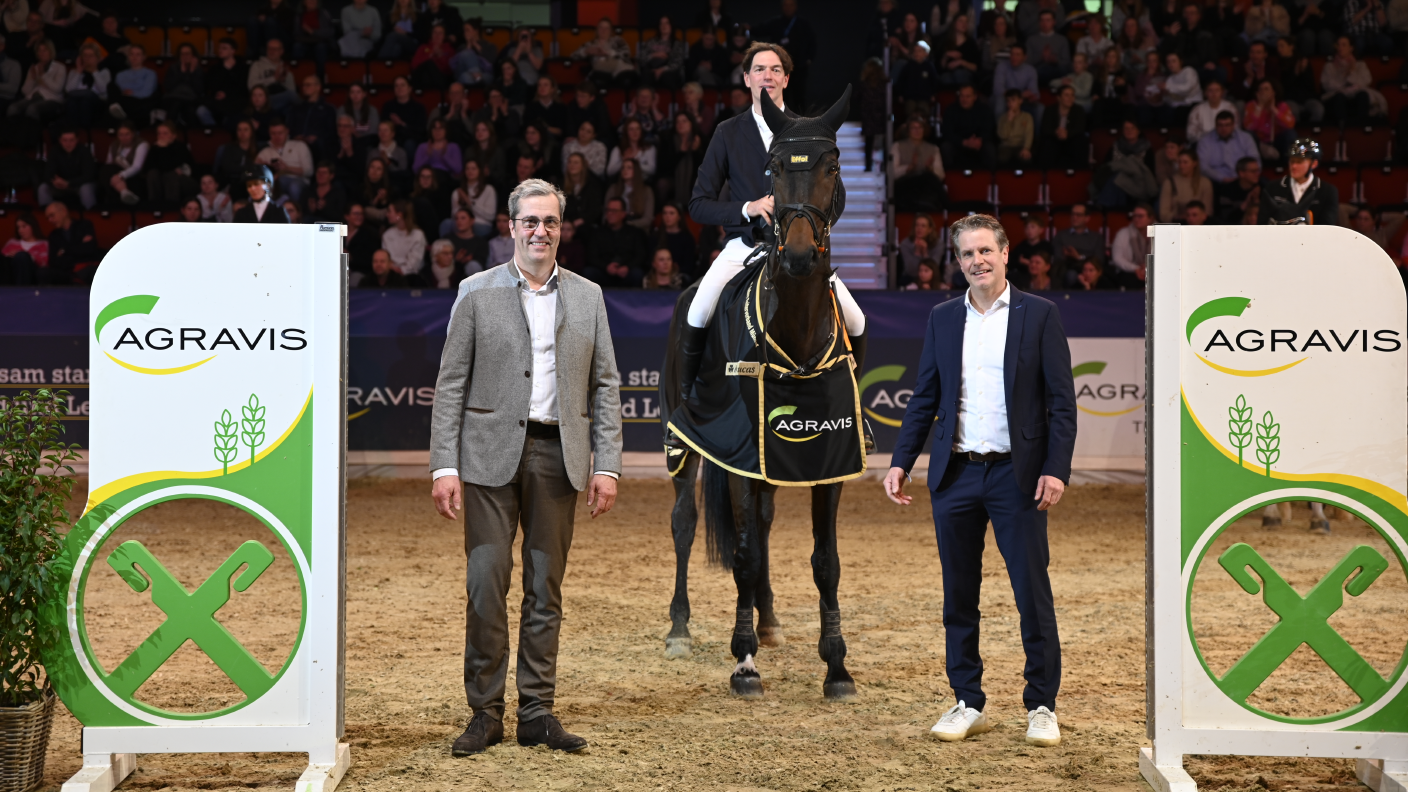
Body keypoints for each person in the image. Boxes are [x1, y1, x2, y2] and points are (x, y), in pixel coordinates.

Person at [429, 178, 622, 758]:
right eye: (531, 222)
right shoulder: (475, 291)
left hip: (558, 458)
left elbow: (606, 384)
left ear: (562, 229)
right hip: (486, 460)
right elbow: (450, 385)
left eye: (551, 222)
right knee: (486, 587)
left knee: (546, 590)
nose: (541, 231)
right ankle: (484, 713)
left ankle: (537, 711)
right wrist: (444, 464)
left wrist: (606, 464)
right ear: (511, 227)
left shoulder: (588, 297)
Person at [884, 213, 1075, 750]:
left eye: (986, 250)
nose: (977, 261)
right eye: (967, 254)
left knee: (1032, 597)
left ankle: (1041, 705)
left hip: (1018, 478)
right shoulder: (943, 318)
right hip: (956, 476)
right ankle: (968, 701)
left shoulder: (1040, 315)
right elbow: (924, 396)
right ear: (958, 260)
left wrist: (1056, 468)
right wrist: (901, 460)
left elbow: (1062, 403)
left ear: (1006, 253)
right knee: (958, 597)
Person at [682, 39, 864, 378]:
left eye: (776, 69)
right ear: (747, 79)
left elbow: (836, 198)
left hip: (801, 252)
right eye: (759, 69)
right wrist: (747, 207)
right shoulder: (727, 133)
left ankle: (852, 406)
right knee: (697, 311)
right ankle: (686, 408)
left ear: (786, 79)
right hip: (746, 248)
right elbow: (698, 205)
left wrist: (808, 228)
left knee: (857, 320)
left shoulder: (810, 130)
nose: (768, 75)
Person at [1258, 138, 1340, 224]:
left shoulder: (1327, 191)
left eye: (1299, 162)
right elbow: (1262, 224)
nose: (1293, 166)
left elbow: (1327, 227)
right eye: (1292, 161)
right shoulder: (1273, 188)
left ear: (1314, 164)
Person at [753, 0, 816, 108]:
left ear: (795, 6)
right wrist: (747, 29)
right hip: (780, 67)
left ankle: (800, 123)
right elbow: (759, 30)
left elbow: (812, 43)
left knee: (799, 97)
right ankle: (781, 123)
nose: (788, 8)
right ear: (782, 7)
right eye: (785, 5)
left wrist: (808, 59)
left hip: (799, 68)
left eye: (790, 5)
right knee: (781, 96)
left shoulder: (803, 24)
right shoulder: (775, 23)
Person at [586, 196, 648, 286]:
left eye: (614, 211)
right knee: (589, 272)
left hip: (626, 271)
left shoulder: (634, 232)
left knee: (637, 273)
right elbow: (591, 256)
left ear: (623, 214)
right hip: (604, 271)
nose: (610, 213)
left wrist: (627, 267)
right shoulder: (597, 233)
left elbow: (640, 255)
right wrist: (606, 267)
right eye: (608, 210)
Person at [892, 116, 945, 211]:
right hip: (905, 185)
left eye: (920, 127)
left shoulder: (933, 149)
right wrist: (908, 167)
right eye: (913, 128)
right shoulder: (897, 146)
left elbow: (941, 175)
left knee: (930, 179)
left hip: (926, 186)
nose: (917, 131)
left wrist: (930, 168)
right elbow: (892, 172)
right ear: (908, 130)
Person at [256, 119, 314, 205]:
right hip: (276, 181)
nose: (277, 136)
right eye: (273, 133)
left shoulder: (299, 146)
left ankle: (295, 213)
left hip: (299, 180)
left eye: (280, 133)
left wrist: (287, 169)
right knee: (270, 184)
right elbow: (255, 170)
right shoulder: (265, 152)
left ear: (287, 131)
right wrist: (264, 167)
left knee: (294, 186)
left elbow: (309, 171)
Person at [1196, 110, 1260, 187]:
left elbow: (1256, 160)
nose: (1224, 129)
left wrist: (1246, 176)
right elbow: (1203, 167)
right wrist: (1222, 178)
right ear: (1215, 125)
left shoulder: (1245, 138)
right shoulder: (1205, 141)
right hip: (1217, 182)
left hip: (1244, 179)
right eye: (1220, 125)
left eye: (1227, 125)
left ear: (1233, 125)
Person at [941, 84, 996, 171]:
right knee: (946, 147)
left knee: (990, 149)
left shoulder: (984, 109)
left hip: (978, 144)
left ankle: (991, 180)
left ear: (974, 97)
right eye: (962, 96)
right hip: (958, 144)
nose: (964, 99)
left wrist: (980, 140)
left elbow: (989, 130)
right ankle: (948, 180)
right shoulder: (950, 110)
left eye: (968, 96)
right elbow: (947, 133)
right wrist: (964, 142)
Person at [44, 200, 100, 283]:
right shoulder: (53, 235)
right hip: (66, 273)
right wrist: (79, 246)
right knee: (44, 272)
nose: (50, 220)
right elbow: (54, 262)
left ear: (64, 211)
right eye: (48, 218)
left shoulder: (84, 225)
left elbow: (89, 249)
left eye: (52, 215)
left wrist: (64, 250)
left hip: (87, 268)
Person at [8, 37, 63, 122]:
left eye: (45, 50)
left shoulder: (59, 67)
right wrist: (33, 79)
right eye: (39, 51)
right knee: (13, 108)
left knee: (32, 108)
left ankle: (33, 133)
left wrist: (43, 75)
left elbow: (57, 89)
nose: (42, 53)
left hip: (51, 99)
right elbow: (25, 91)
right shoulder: (34, 68)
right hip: (33, 97)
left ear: (50, 51)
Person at [572, 17, 637, 89]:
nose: (604, 31)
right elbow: (573, 56)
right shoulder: (590, 44)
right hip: (601, 71)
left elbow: (626, 53)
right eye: (601, 28)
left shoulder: (617, 40)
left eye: (607, 28)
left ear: (611, 31)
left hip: (620, 70)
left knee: (627, 80)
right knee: (599, 80)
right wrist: (586, 51)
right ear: (597, 30)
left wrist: (609, 53)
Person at [38, 128, 95, 209]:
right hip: (60, 186)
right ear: (60, 140)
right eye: (65, 140)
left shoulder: (84, 151)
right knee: (43, 188)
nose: (68, 144)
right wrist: (55, 181)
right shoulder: (54, 151)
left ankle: (91, 216)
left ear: (77, 140)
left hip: (79, 185)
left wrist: (69, 183)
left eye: (72, 140)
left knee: (86, 189)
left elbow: (88, 175)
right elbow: (47, 173)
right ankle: (48, 215)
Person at [144, 121, 196, 208]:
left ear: (174, 135)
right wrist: (159, 149)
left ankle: (171, 207)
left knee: (170, 174)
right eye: (159, 133)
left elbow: (169, 166)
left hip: (185, 179)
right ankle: (154, 206)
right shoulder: (154, 148)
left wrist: (164, 149)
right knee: (153, 173)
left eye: (165, 133)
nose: (161, 136)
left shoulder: (180, 147)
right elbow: (147, 167)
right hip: (162, 178)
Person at [1244, 79, 1297, 162]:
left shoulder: (1282, 106)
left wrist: (1273, 109)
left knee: (1290, 133)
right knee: (1249, 135)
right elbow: (1249, 127)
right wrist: (1260, 106)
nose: (1263, 92)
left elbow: (1290, 124)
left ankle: (1288, 166)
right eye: (1260, 89)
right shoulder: (1251, 106)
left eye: (1266, 89)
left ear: (1273, 92)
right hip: (1259, 143)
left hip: (1276, 141)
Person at [1050, 203, 1104, 284]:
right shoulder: (1061, 236)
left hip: (1089, 269)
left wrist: (1079, 257)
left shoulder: (1096, 238)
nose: (1074, 217)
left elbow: (1099, 260)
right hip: (1067, 268)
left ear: (1087, 218)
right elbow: (1057, 257)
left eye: (1078, 215)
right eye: (1073, 214)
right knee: (1070, 275)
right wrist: (1067, 256)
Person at [287, 73, 337, 159]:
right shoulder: (296, 108)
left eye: (308, 85)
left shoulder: (328, 109)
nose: (305, 88)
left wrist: (317, 138)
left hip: (319, 147)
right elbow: (289, 126)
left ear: (318, 87)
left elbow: (331, 131)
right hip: (296, 145)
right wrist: (295, 136)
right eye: (303, 85)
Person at [1037, 84, 1087, 169]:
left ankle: (1078, 173)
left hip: (1071, 139)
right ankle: (1046, 175)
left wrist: (1067, 133)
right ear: (1059, 98)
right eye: (1067, 95)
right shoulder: (1050, 110)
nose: (1070, 98)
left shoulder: (1079, 110)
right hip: (1054, 139)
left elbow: (1080, 128)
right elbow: (1045, 128)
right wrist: (1057, 132)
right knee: (1046, 142)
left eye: (1072, 95)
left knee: (1080, 140)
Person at [1159, 148, 1215, 223]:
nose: (1181, 166)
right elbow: (1163, 214)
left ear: (1194, 163)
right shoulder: (1169, 182)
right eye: (1180, 162)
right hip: (1177, 224)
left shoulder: (1205, 183)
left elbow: (1207, 211)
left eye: (1185, 162)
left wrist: (1194, 218)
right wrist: (1178, 217)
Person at [99, 121, 148, 206]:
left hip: (134, 176)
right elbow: (109, 164)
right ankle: (124, 192)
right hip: (116, 176)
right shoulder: (114, 145)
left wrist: (121, 175)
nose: (124, 137)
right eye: (121, 135)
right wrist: (116, 176)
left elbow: (137, 167)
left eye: (127, 134)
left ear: (133, 134)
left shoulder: (142, 144)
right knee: (105, 170)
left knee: (111, 176)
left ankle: (120, 200)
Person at [992, 43, 1041, 126]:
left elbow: (1034, 92)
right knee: (1000, 104)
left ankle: (1035, 137)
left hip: (1021, 101)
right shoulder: (1001, 66)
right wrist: (1019, 96)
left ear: (1025, 57)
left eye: (1018, 55)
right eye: (1012, 54)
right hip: (1005, 99)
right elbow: (998, 89)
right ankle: (1000, 135)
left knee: (1040, 109)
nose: (1014, 57)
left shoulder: (1031, 70)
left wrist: (1033, 97)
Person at [62, 41, 109, 127]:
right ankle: (74, 131)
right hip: (76, 101)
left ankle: (85, 131)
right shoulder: (74, 72)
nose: (87, 58)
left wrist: (94, 71)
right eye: (85, 55)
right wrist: (79, 72)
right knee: (72, 102)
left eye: (91, 56)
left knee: (86, 99)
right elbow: (68, 90)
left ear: (97, 58)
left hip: (97, 103)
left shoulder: (104, 72)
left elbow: (103, 90)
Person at [604, 157, 654, 231]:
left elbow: (648, 218)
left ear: (636, 171)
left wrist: (629, 224)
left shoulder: (646, 191)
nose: (625, 170)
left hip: (637, 228)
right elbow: (605, 214)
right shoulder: (613, 189)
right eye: (623, 168)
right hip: (615, 227)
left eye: (629, 168)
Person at [247, 37, 296, 112]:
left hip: (280, 101)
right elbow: (251, 86)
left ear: (281, 51)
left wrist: (283, 81)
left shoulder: (286, 71)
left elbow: (292, 93)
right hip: (263, 98)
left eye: (275, 49)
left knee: (290, 107)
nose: (271, 51)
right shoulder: (257, 65)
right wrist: (274, 79)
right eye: (269, 49)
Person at [207, 37, 249, 125]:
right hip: (218, 101)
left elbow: (243, 87)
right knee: (203, 109)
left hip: (236, 100)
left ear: (233, 51)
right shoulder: (215, 68)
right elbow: (212, 85)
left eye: (224, 48)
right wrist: (224, 70)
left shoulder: (243, 67)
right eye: (219, 47)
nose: (220, 50)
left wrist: (227, 94)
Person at [382, 198, 426, 280]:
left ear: (399, 214)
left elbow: (415, 263)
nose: (387, 215)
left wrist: (401, 270)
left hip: (411, 276)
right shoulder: (387, 235)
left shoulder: (418, 235)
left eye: (390, 211)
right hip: (391, 275)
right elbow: (385, 258)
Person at [450, 158, 496, 237]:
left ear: (479, 171)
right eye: (467, 169)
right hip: (462, 224)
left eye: (473, 168)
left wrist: (470, 203)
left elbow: (491, 216)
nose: (470, 171)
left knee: (478, 228)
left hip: (481, 224)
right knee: (446, 224)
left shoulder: (488, 189)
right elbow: (454, 215)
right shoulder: (458, 192)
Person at [1110, 202, 1153, 287]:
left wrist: (1149, 267)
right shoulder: (1123, 233)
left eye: (1140, 216)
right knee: (1128, 279)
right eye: (1134, 216)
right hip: (1130, 272)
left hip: (1154, 270)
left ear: (1150, 219)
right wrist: (1135, 268)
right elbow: (1117, 258)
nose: (1136, 219)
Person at [559, 151, 604, 230]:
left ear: (583, 166)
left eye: (576, 163)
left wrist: (582, 220)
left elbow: (595, 209)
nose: (572, 165)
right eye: (570, 162)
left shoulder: (593, 184)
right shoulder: (561, 185)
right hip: (566, 225)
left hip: (586, 225)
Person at [639, 15, 686, 90]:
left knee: (667, 78)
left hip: (668, 71)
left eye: (666, 23)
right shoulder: (651, 41)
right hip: (651, 69)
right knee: (646, 76)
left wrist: (662, 69)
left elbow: (678, 62)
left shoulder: (677, 44)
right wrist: (653, 55)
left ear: (671, 26)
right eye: (661, 23)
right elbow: (641, 59)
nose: (663, 26)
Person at [654, 202, 697, 280]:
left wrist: (674, 269)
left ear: (679, 217)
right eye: (665, 213)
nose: (667, 216)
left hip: (680, 274)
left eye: (671, 213)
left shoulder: (687, 238)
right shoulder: (655, 236)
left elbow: (690, 264)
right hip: (658, 274)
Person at [1185, 79, 1237, 144]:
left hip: (1226, 142)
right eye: (1210, 91)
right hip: (1204, 142)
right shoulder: (1197, 110)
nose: (1214, 94)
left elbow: (1236, 130)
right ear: (1205, 93)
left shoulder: (1230, 108)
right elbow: (1190, 134)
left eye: (1217, 90)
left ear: (1222, 92)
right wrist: (1210, 137)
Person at [1026, 9, 1071, 83]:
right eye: (1042, 20)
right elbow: (1027, 62)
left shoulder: (1062, 40)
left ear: (1054, 22)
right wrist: (1041, 57)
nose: (1045, 23)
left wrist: (1055, 60)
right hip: (1038, 72)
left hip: (1058, 72)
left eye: (1048, 20)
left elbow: (1067, 62)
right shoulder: (1031, 40)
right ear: (1039, 22)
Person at [3, 214, 49, 285]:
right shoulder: (12, 243)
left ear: (33, 226)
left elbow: (46, 263)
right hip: (12, 273)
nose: (20, 230)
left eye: (24, 226)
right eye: (18, 227)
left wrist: (28, 256)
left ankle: (22, 292)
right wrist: (9, 256)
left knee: (22, 256)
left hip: (32, 273)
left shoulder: (43, 243)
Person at [1009, 214, 1053, 289]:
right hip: (1024, 277)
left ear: (1041, 230)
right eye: (1027, 227)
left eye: (1032, 227)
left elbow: (1051, 264)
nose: (1029, 230)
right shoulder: (1020, 247)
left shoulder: (1047, 246)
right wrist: (1020, 262)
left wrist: (1033, 264)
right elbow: (1011, 264)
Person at [449, 18, 495, 86]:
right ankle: (478, 77)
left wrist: (476, 45)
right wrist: (469, 45)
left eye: (467, 30)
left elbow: (491, 62)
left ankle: (477, 78)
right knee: (466, 53)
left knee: (466, 77)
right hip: (464, 72)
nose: (465, 33)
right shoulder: (461, 47)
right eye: (464, 31)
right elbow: (459, 66)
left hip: (484, 74)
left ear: (476, 31)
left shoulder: (489, 46)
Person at [996, 89, 1035, 166]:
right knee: (1001, 159)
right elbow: (1003, 136)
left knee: (1026, 159)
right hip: (1006, 146)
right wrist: (1009, 121)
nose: (1010, 103)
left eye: (1013, 100)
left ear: (1020, 101)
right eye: (1008, 101)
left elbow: (1029, 134)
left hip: (1020, 145)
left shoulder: (1027, 116)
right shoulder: (1002, 118)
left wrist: (1026, 148)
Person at [900, 213, 940, 285]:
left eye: (923, 226)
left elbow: (934, 270)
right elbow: (911, 271)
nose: (919, 228)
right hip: (910, 278)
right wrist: (917, 252)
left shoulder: (938, 243)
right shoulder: (905, 244)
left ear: (930, 229)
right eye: (917, 225)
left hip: (932, 280)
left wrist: (925, 253)